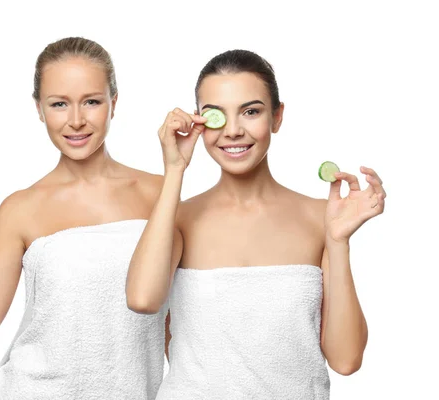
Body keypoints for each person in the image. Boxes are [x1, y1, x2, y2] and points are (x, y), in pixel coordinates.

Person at [0, 37, 168, 400]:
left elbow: (181, 330)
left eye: (91, 101)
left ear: (113, 104)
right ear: (39, 108)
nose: (76, 120)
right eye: (59, 104)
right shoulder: (20, 209)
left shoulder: (161, 194)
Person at [125, 49, 386, 399]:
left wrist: (338, 241)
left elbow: (346, 359)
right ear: (198, 122)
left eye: (251, 111)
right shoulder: (180, 219)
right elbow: (142, 299)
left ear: (277, 117)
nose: (233, 131)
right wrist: (174, 170)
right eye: (216, 115)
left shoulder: (320, 218)